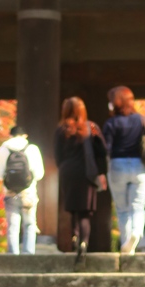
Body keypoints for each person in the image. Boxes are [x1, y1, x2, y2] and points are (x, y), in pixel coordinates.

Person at [54, 96, 107, 270]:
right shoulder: (90, 128)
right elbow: (102, 152)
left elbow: (57, 156)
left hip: (68, 171)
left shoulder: (61, 130)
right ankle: (83, 244)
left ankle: (75, 238)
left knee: (73, 211)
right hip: (87, 173)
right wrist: (101, 174)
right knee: (85, 213)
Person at [103, 85, 145, 255]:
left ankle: (127, 242)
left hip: (118, 165)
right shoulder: (141, 119)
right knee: (138, 206)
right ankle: (136, 233)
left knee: (122, 208)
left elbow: (107, 149)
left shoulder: (111, 123)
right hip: (140, 166)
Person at [0, 124, 45, 255]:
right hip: (28, 193)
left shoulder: (3, 149)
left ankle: (13, 254)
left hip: (10, 192)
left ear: (10, 135)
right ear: (25, 136)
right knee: (29, 224)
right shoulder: (32, 149)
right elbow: (39, 174)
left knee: (13, 226)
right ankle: (28, 253)